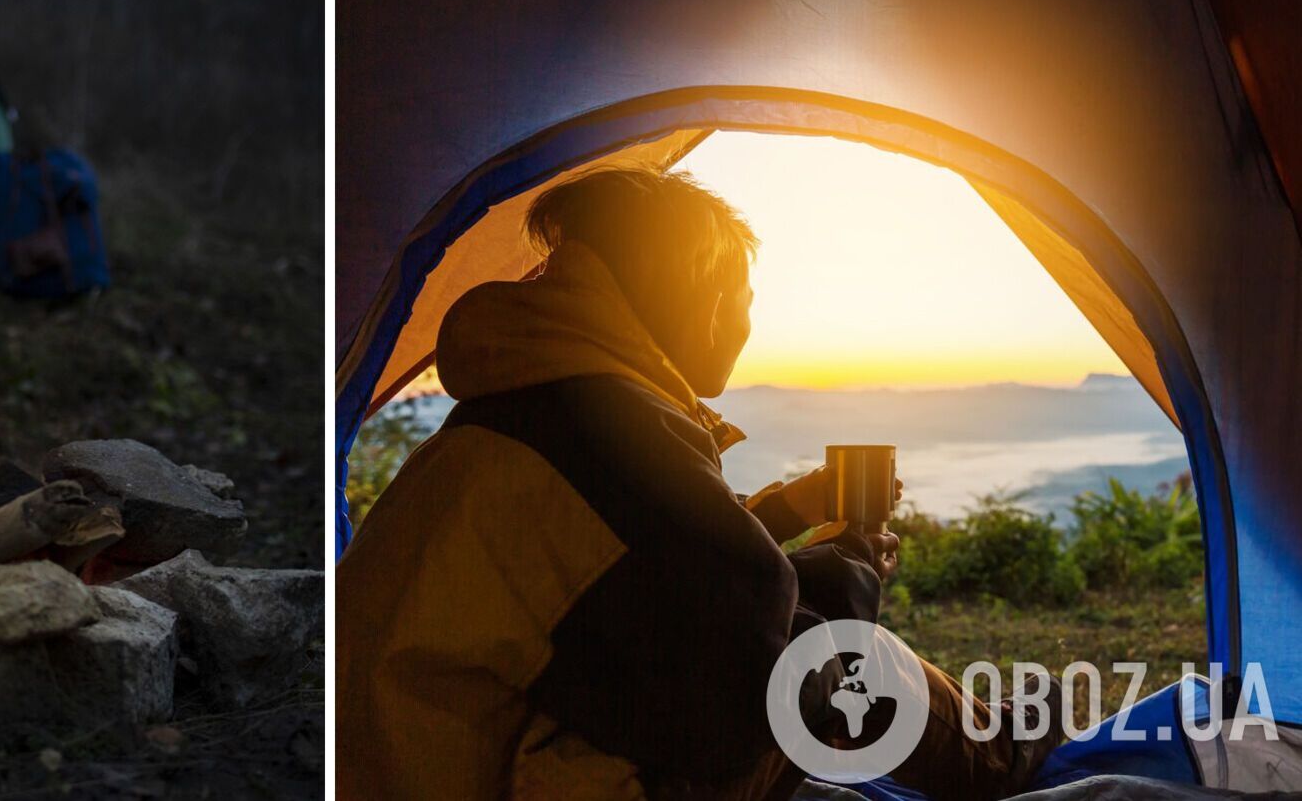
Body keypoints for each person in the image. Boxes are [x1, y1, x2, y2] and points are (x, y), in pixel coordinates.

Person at [335, 167, 1064, 800]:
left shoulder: (531, 402)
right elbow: (745, 696)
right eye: (743, 296)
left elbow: (635, 567)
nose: (746, 321)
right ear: (705, 297)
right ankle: (1004, 752)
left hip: (406, 761)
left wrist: (791, 509)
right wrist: (852, 565)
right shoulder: (613, 431)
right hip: (493, 779)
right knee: (853, 655)